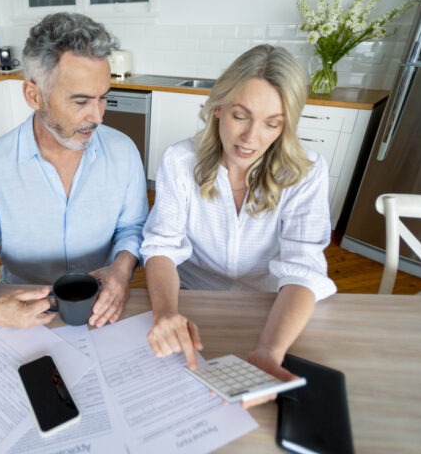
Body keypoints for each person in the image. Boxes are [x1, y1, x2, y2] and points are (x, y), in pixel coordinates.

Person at [141, 44, 336, 407]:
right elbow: (161, 247)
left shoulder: (306, 171)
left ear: (286, 126)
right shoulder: (180, 161)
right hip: (193, 303)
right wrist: (166, 312)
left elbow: (303, 269)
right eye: (240, 116)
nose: (250, 138)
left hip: (271, 307)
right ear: (218, 109)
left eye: (271, 123)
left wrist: (269, 350)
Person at [0, 12, 148, 329]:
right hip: (21, 315)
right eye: (81, 102)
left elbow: (133, 227)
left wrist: (121, 268)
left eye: (103, 98)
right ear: (34, 95)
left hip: (103, 310)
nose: (98, 117)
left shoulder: (124, 152)